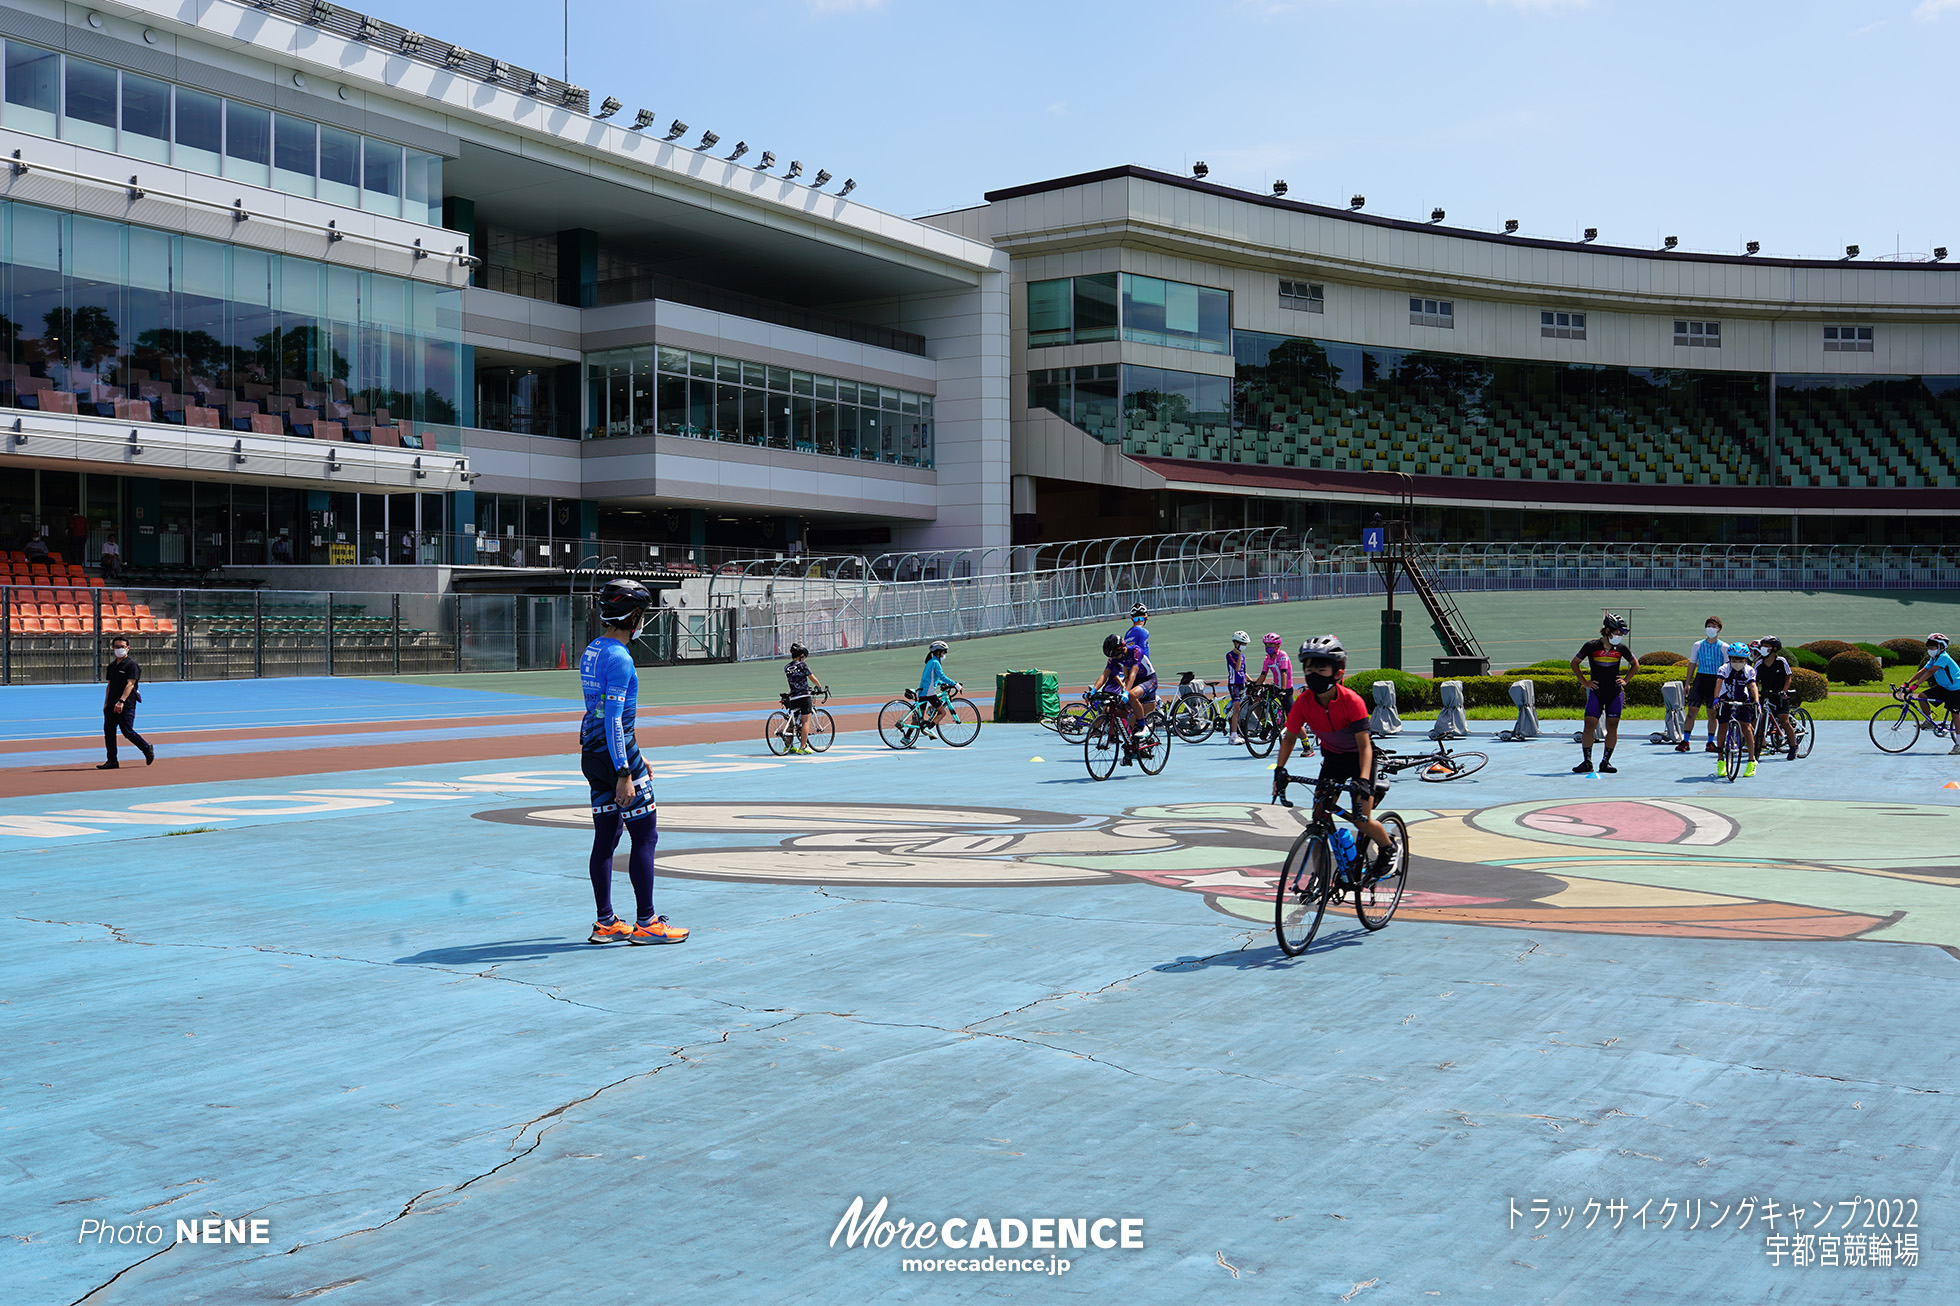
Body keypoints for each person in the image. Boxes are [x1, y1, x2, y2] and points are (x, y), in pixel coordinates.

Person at [578, 579, 688, 945]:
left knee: (606, 839)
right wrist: (626, 770)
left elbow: (601, 714)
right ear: (635, 616)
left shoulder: (593, 650)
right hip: (616, 760)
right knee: (645, 836)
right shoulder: (621, 659)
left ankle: (606, 922)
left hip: (593, 755)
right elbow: (613, 718)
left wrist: (637, 754)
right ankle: (647, 923)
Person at [1271, 635, 1398, 880]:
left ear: (1338, 672)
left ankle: (1388, 848)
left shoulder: (1352, 701)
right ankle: (1320, 879)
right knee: (1318, 818)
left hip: (1360, 759)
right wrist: (1280, 769)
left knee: (1361, 820)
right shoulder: (1304, 702)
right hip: (1333, 760)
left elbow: (1364, 747)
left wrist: (1362, 779)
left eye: (1321, 668)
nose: (1313, 674)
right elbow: (1289, 737)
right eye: (1309, 669)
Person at [1569, 613, 1636, 774]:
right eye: (1617, 632)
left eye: (1621, 633)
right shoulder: (1591, 646)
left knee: (1612, 727)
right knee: (1589, 725)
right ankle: (1587, 762)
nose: (1619, 636)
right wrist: (1585, 682)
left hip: (1614, 692)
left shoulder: (1621, 649)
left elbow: (1635, 664)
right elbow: (1575, 663)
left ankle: (1605, 762)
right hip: (1596, 693)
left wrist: (1626, 680)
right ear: (1607, 630)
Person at [1091, 631, 1157, 755]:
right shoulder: (1115, 657)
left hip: (1149, 680)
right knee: (1120, 709)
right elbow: (1105, 674)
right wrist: (1094, 690)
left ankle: (1143, 727)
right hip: (1134, 683)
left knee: (1131, 695)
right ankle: (1132, 744)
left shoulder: (1136, 651)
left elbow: (1133, 673)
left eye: (1115, 655)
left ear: (1122, 649)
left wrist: (1126, 692)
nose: (1115, 659)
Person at [99, 635, 154, 769]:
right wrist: (106, 703)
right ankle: (112, 760)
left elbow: (130, 684)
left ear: (127, 648)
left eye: (122, 647)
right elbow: (109, 685)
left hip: (126, 704)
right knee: (109, 732)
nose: (119, 649)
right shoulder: (111, 666)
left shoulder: (131, 665)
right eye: (117, 647)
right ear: (113, 648)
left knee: (127, 731)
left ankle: (146, 748)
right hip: (111, 704)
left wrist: (121, 701)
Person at [1902, 633, 1960, 754]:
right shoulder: (1934, 658)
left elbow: (1930, 673)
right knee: (1922, 697)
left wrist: (1915, 686)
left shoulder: (1944, 657)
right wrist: (1906, 683)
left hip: (1956, 689)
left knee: (1955, 716)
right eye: (1928, 646)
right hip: (1943, 687)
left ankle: (1959, 745)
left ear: (1941, 647)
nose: (1929, 649)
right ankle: (1929, 721)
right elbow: (1924, 670)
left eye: (1932, 646)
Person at [1678, 616, 1728, 753]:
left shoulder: (1724, 647)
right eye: (1708, 626)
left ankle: (1710, 742)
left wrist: (1725, 686)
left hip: (1715, 681)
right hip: (1700, 680)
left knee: (1712, 713)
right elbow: (1693, 663)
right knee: (1692, 711)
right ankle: (1685, 740)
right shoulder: (1698, 645)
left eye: (1714, 626)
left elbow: (1727, 667)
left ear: (1719, 629)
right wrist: (1687, 683)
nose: (1710, 629)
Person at [1713, 641, 1760, 778]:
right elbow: (1718, 682)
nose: (1737, 662)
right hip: (1725, 699)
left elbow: (1753, 686)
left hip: (1742, 700)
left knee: (1747, 727)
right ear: (1730, 658)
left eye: (1741, 659)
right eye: (1734, 659)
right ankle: (1721, 759)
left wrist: (1756, 701)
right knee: (1722, 726)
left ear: (1745, 659)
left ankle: (1751, 760)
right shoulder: (1724, 668)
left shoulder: (1749, 670)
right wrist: (1716, 698)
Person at [1755, 636, 1797, 761]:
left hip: (1780, 695)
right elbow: (1754, 681)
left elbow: (1788, 676)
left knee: (1784, 720)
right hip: (1766, 695)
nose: (1763, 648)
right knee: (1759, 719)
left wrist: (1784, 691)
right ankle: (1760, 746)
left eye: (1767, 646)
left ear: (1774, 649)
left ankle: (1793, 746)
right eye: (1763, 646)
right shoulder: (1758, 664)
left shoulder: (1781, 661)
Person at [783, 641, 825, 754]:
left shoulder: (787, 667)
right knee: (806, 721)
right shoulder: (802, 665)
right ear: (801, 655)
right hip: (804, 696)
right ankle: (803, 747)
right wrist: (819, 686)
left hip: (793, 697)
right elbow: (811, 677)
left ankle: (788, 746)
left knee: (792, 722)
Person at [918, 639, 957, 732]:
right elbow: (942, 676)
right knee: (942, 712)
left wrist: (942, 683)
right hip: (929, 692)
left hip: (922, 691)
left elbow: (932, 679)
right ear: (938, 652)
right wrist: (955, 684)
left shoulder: (930, 662)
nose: (944, 655)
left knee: (919, 717)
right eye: (943, 653)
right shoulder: (936, 663)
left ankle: (906, 737)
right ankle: (928, 729)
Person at [1254, 631, 1294, 719]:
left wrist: (1283, 690)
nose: (1268, 647)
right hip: (1275, 688)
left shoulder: (1283, 655)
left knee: (1291, 715)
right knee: (1256, 702)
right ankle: (1267, 724)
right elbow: (1263, 675)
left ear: (1277, 645)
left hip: (1286, 689)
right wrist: (1255, 687)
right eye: (1266, 645)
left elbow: (1284, 673)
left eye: (1271, 645)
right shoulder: (1267, 659)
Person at [1223, 630, 1251, 745]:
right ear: (1236, 643)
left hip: (1241, 684)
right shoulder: (1230, 655)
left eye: (1245, 644)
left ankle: (1235, 732)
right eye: (1242, 644)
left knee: (1237, 709)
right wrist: (1239, 655)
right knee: (1236, 709)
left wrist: (1252, 682)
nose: (1244, 646)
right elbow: (1237, 668)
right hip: (1233, 684)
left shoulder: (1242, 656)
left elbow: (1244, 672)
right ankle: (1233, 736)